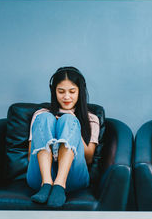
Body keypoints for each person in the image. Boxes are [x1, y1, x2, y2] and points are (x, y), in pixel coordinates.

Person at [26, 66, 99, 207]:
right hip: (40, 177)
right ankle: (47, 183)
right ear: (54, 92)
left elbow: (89, 158)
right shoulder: (40, 115)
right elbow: (31, 155)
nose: (66, 97)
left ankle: (60, 184)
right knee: (45, 117)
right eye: (61, 91)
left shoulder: (91, 118)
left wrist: (73, 125)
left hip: (73, 177)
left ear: (80, 92)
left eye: (72, 91)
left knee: (68, 120)